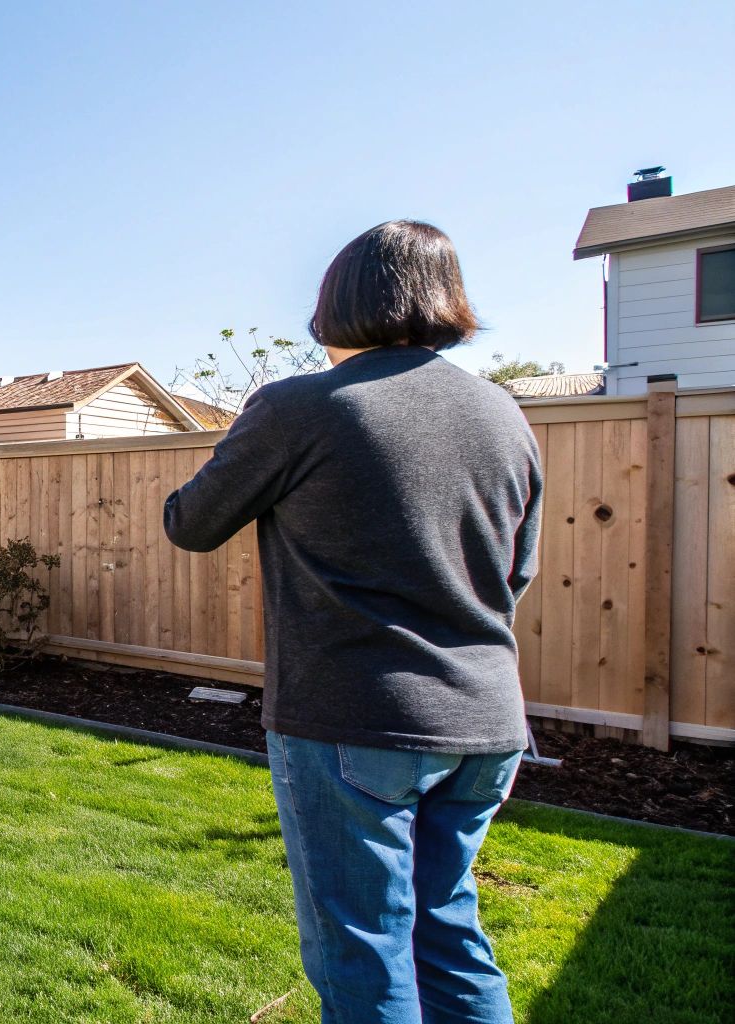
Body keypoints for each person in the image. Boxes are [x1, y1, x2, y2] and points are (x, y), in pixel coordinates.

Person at [163, 220, 542, 1024]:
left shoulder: (300, 407)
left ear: (335, 306)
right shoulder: (504, 414)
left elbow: (190, 522)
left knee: (362, 948)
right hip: (487, 723)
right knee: (449, 933)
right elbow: (519, 571)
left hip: (355, 719)